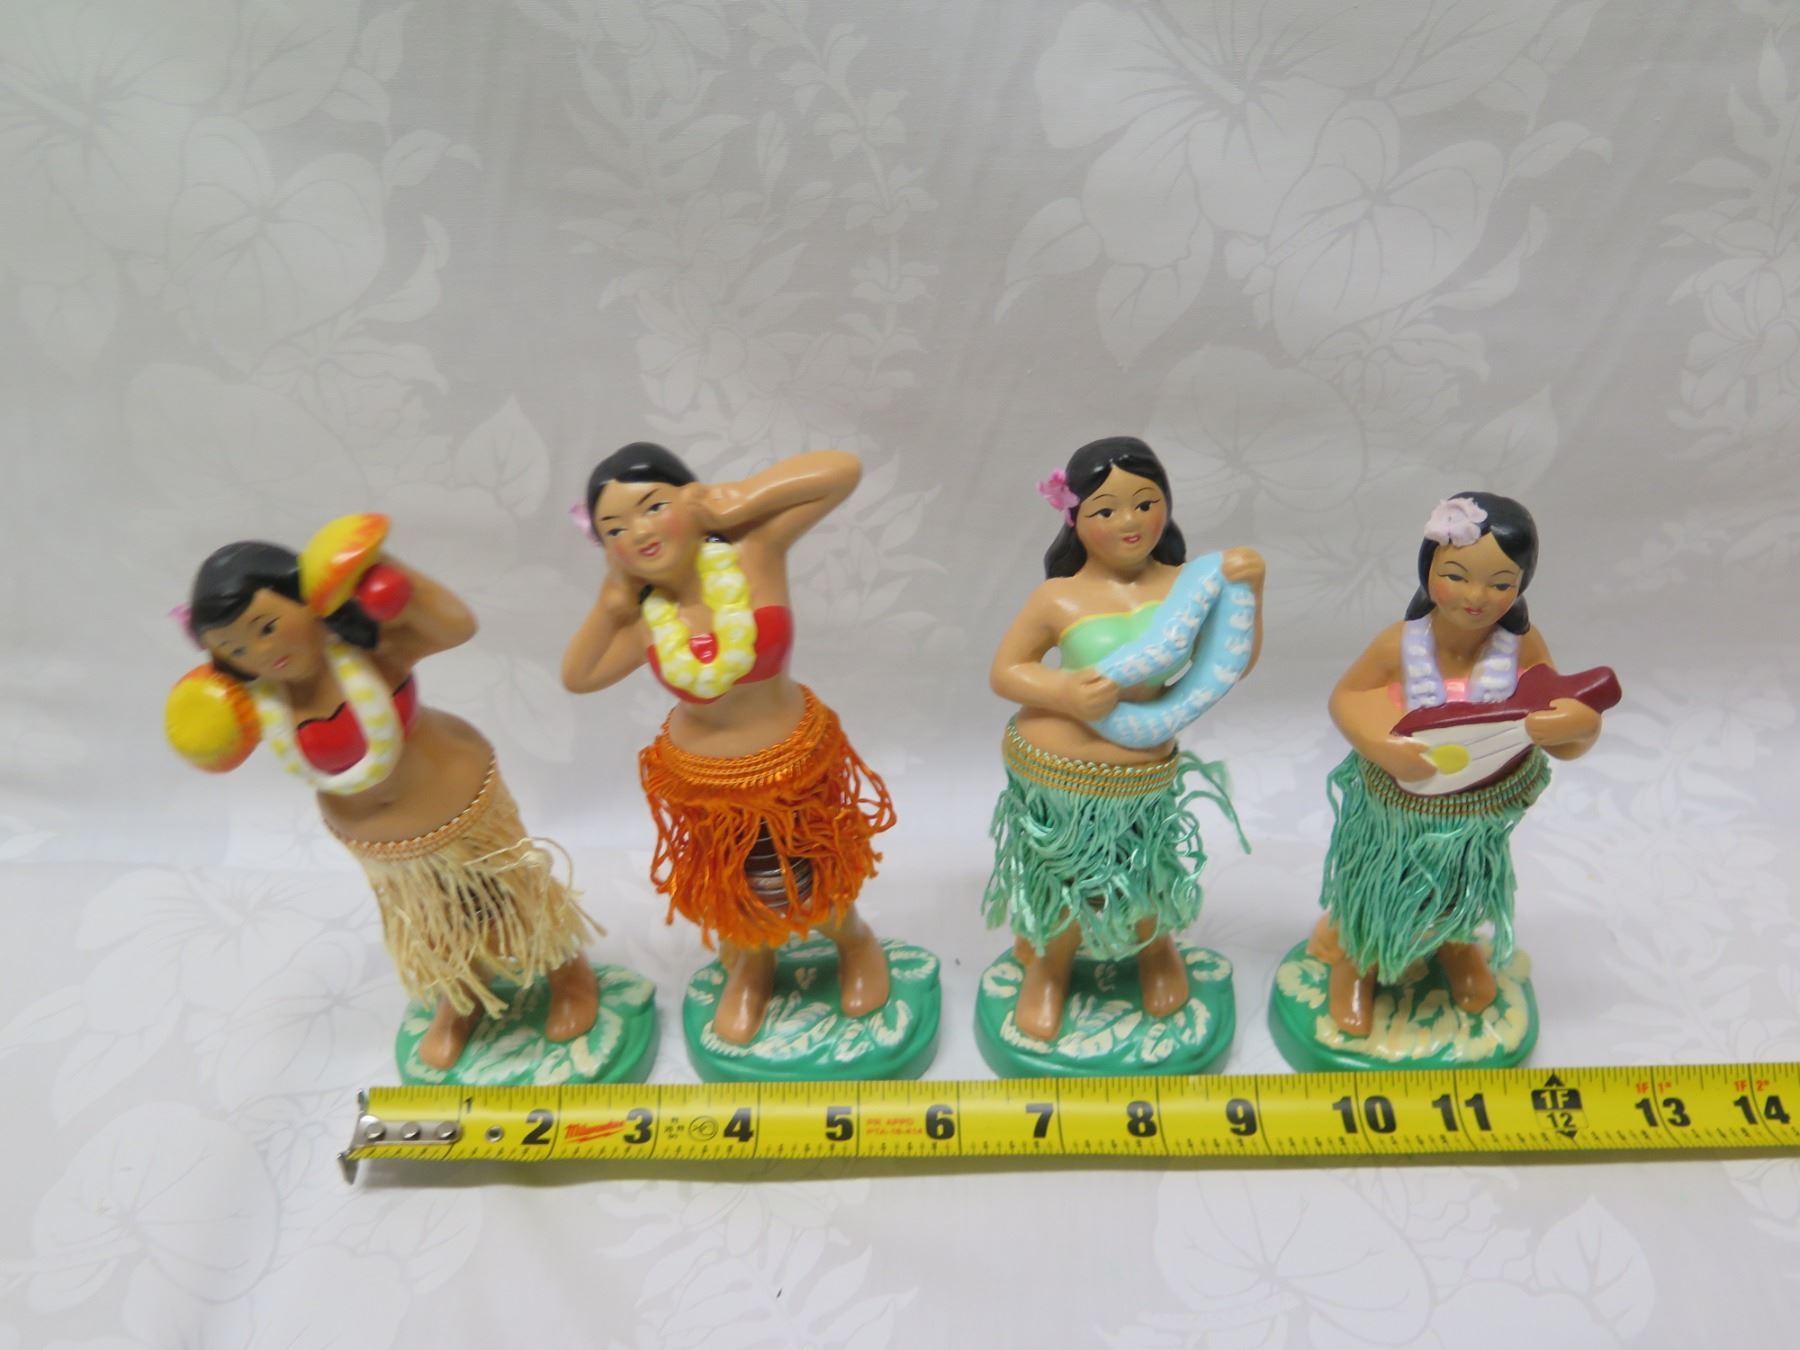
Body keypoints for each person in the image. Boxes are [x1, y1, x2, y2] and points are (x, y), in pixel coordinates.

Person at [166, 520, 598, 1069]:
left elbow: (457, 627)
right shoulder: (257, 703)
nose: (259, 652)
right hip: (385, 849)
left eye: (267, 627)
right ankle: (464, 997)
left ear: (307, 600)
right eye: (235, 648)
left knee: (515, 896)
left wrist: (381, 571)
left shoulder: (369, 651)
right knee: (436, 926)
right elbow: (213, 751)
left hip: (459, 807)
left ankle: (569, 975)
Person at [562, 445, 895, 1045]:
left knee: (816, 877)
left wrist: (739, 498)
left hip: (790, 764)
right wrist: (608, 606)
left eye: (653, 507)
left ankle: (854, 942)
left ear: (692, 498)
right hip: (709, 784)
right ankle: (754, 967)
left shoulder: (755, 551)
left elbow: (841, 472)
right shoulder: (646, 617)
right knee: (739, 892)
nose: (639, 532)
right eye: (615, 528)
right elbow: (578, 677)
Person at [984, 436, 1264, 1041]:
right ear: (1075, 519)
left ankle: (1155, 950)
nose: (1129, 522)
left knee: (1146, 874)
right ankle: (1051, 966)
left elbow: (1230, 662)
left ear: (1167, 504)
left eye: (1145, 503)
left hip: (1141, 778)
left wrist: (1252, 592)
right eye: (1106, 510)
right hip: (1057, 775)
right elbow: (1006, 672)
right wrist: (1065, 692)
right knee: (1063, 881)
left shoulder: (1190, 584)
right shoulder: (1057, 596)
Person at [1307, 492, 1604, 1035]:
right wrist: (1382, 744)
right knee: (1379, 890)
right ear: (1428, 571)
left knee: (1461, 893)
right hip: (1396, 816)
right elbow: (1346, 698)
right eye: (1457, 576)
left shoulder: (1523, 645)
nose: (1476, 597)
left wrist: (1577, 727)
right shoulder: (1397, 644)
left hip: (1474, 819)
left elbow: (1558, 722)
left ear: (1521, 586)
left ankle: (1456, 946)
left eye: (1500, 583)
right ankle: (1357, 961)